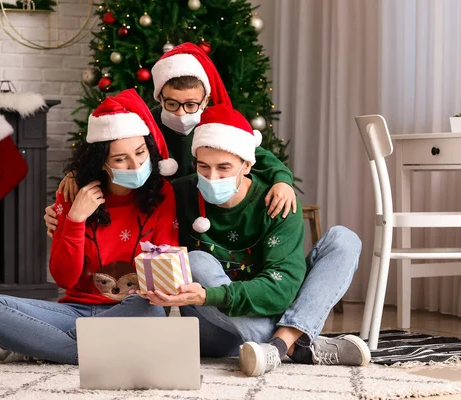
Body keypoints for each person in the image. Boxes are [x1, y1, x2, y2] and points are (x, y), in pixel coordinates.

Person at [139, 104, 370, 377]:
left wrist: (209, 294)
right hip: (215, 328)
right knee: (196, 261)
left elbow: (282, 289)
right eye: (204, 167)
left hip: (252, 306)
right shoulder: (180, 193)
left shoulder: (278, 200)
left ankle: (276, 346)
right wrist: (77, 178)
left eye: (224, 168)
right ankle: (294, 344)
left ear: (248, 165)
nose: (212, 177)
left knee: (344, 240)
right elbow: (129, 193)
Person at [0, 89, 179, 364]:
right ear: (101, 161)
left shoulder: (162, 193)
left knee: (152, 310)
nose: (135, 164)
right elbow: (64, 279)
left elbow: (164, 278)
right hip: (75, 310)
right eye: (120, 159)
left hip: (132, 309)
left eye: (140, 153)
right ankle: (91, 347)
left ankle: (44, 344)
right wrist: (75, 220)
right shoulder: (72, 193)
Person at [45, 43, 296, 236]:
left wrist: (283, 181)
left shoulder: (218, 125)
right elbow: (110, 152)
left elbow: (258, 157)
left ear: (205, 99)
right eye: (172, 103)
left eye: (190, 105)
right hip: (158, 216)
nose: (180, 113)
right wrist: (76, 176)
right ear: (159, 97)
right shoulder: (144, 125)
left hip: (205, 216)